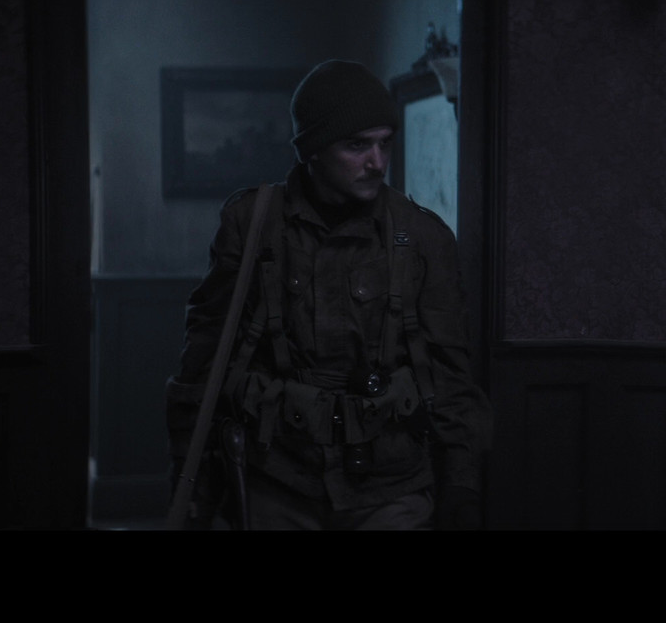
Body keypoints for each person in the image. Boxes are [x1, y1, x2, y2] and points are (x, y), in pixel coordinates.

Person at [165, 59, 491, 530]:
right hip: (277, 479)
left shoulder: (423, 238)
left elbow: (451, 374)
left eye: (384, 143)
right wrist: (190, 478)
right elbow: (205, 357)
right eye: (356, 145)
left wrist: (461, 484)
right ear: (312, 150)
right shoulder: (253, 224)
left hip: (391, 487)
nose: (376, 162)